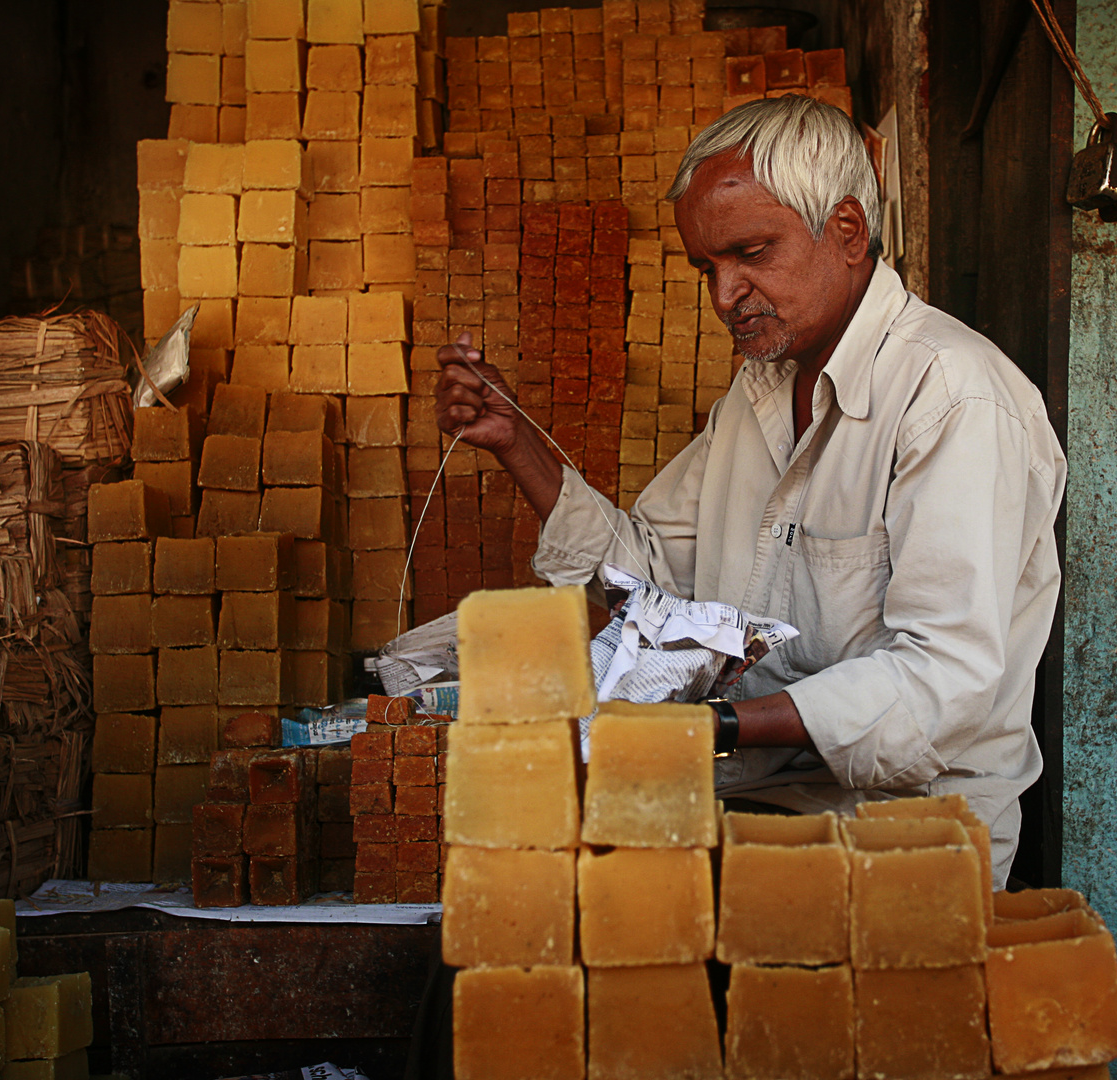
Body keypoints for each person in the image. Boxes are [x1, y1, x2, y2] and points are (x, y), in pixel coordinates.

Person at [432, 95, 1065, 887]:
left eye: (752, 254)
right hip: (754, 815)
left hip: (904, 843)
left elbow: (944, 679)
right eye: (708, 268)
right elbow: (649, 575)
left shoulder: (953, 400)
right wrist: (516, 441)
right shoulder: (757, 397)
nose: (726, 295)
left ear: (845, 231)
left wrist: (714, 729)